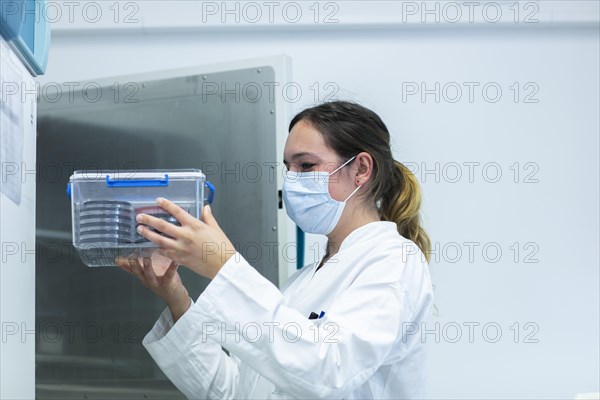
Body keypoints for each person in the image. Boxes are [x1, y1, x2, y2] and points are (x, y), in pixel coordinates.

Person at [116, 100, 435, 399]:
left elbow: (328, 370)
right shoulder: (303, 282)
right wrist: (177, 299)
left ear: (361, 169)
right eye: (289, 168)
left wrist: (224, 266)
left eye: (306, 165)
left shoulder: (394, 261)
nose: (292, 182)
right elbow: (235, 391)